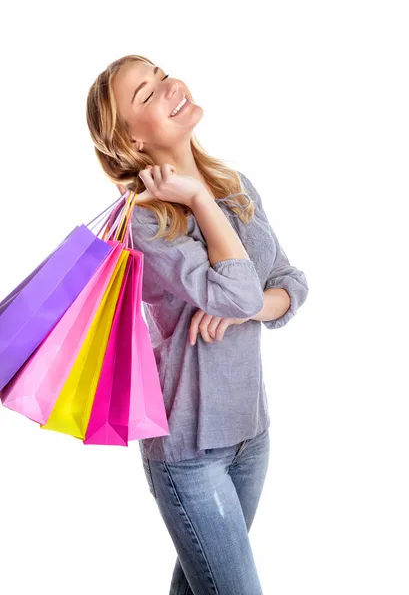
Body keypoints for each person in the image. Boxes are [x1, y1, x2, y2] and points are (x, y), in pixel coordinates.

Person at [86, 54, 309, 595]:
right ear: (132, 142)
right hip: (190, 450)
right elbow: (235, 289)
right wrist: (196, 199)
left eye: (161, 75)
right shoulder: (144, 220)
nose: (169, 86)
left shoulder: (235, 184)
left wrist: (253, 307)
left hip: (251, 431)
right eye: (146, 94)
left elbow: (293, 284)